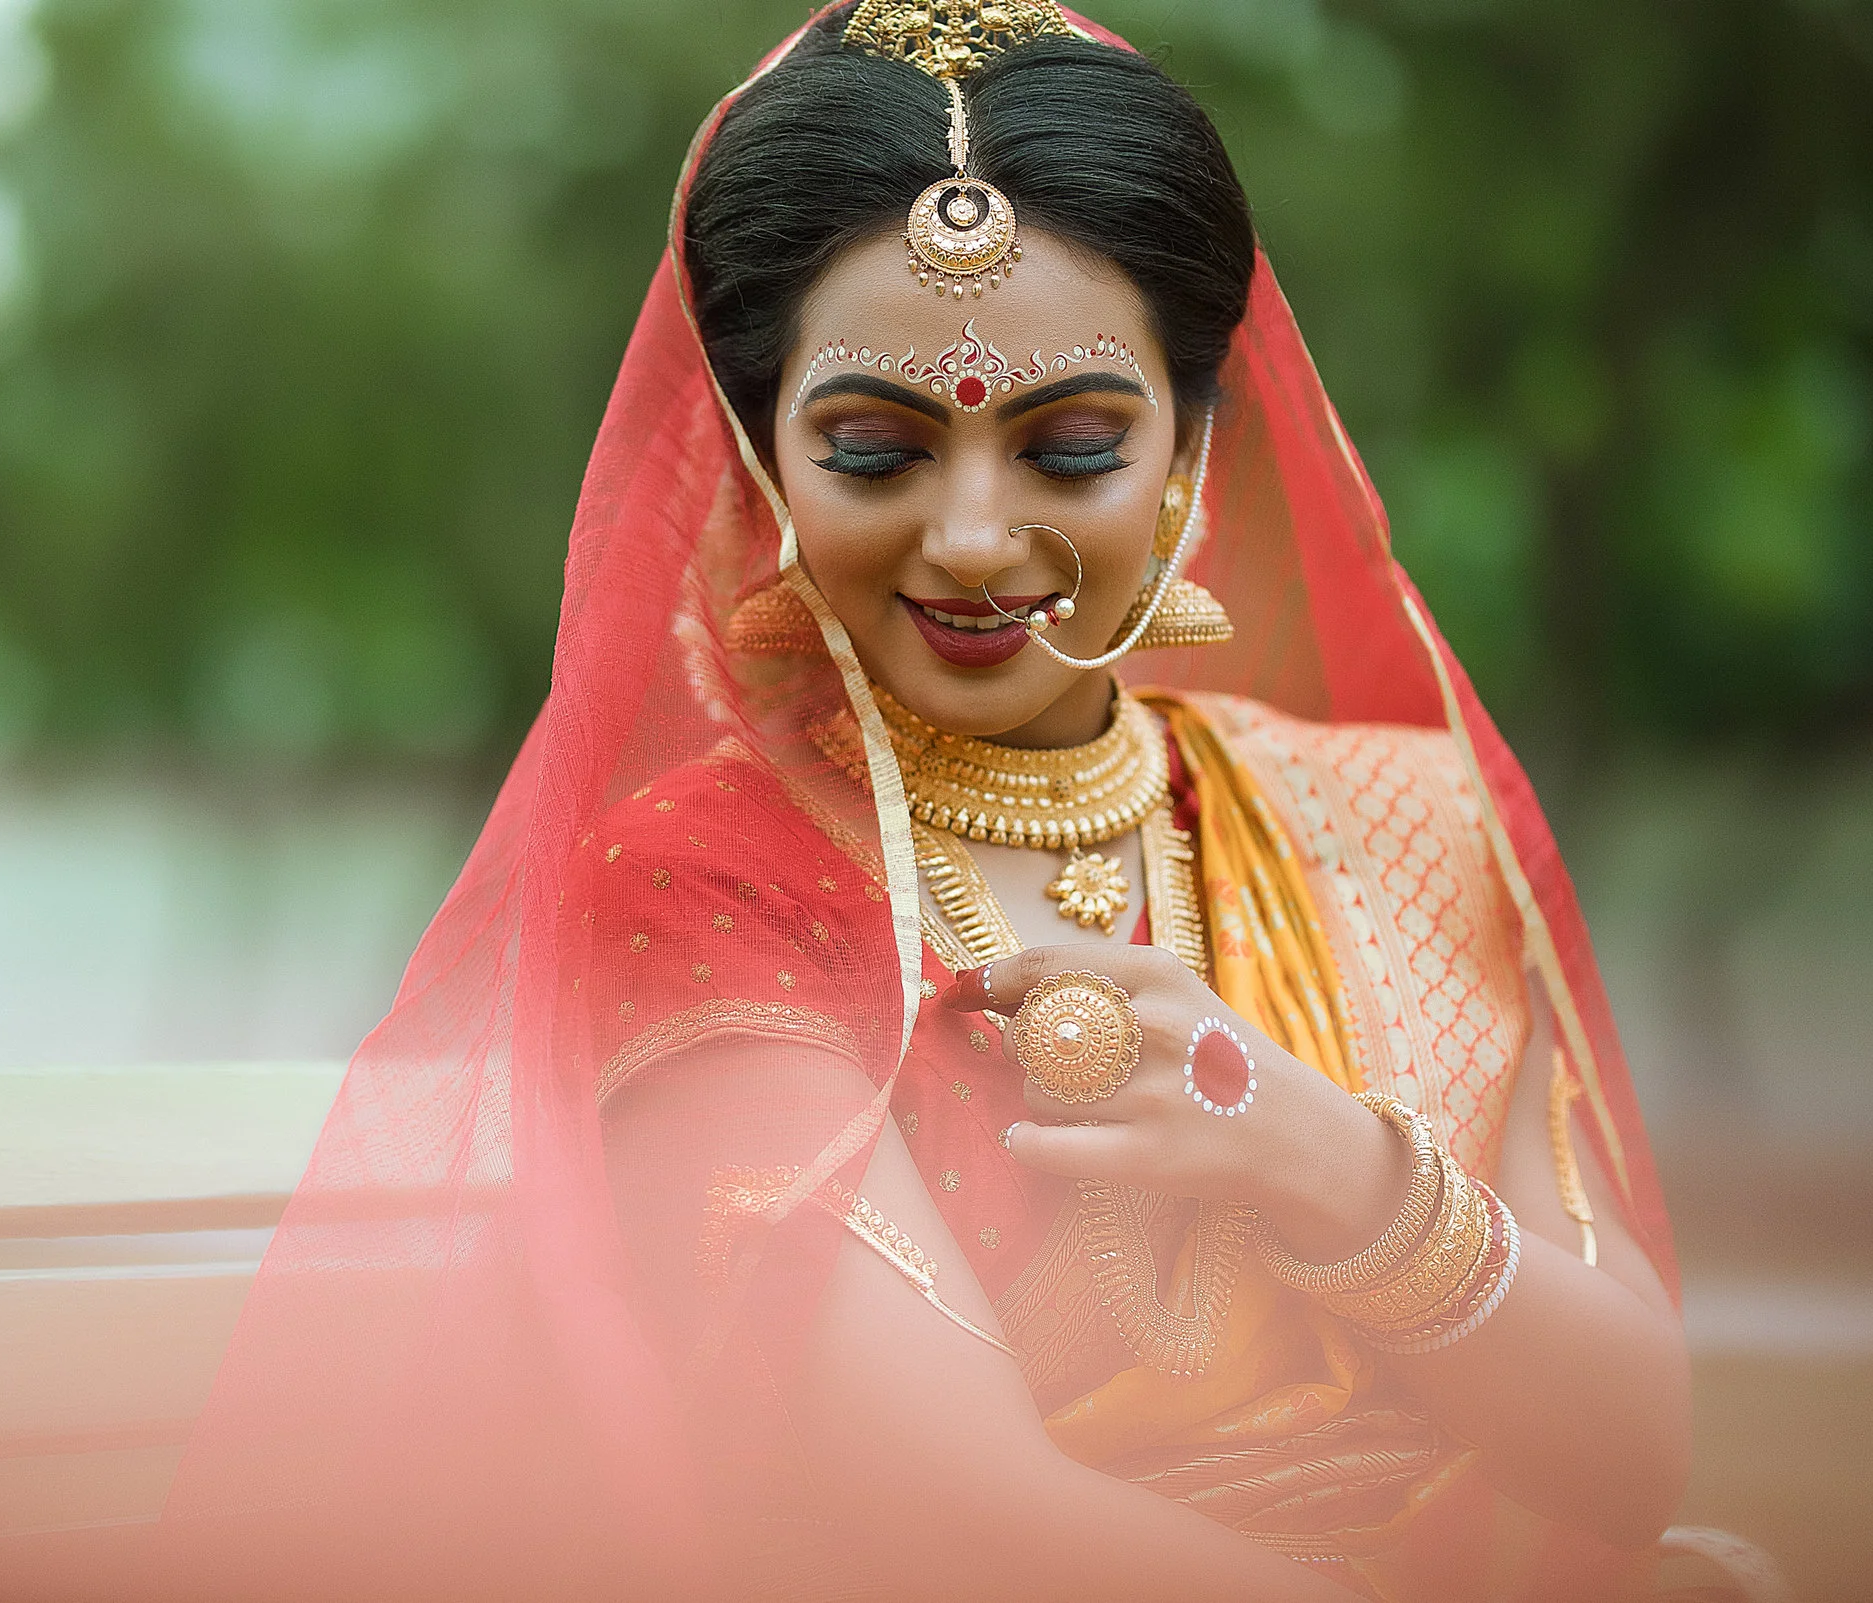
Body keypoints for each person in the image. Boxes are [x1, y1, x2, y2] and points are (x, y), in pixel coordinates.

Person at [156, 6, 1714, 1601]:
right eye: (879, 450)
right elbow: (961, 1518)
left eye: (1074, 446)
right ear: (764, 459)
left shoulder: (1396, 819)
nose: (973, 534)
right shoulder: (703, 887)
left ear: (1193, 446)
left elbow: (1628, 1452)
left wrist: (1311, 1147)